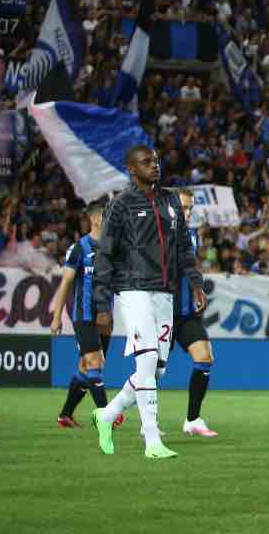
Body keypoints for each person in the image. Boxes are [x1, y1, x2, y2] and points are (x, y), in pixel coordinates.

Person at [90, 145, 205, 459]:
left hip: (165, 293)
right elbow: (105, 255)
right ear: (130, 168)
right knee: (147, 358)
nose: (154, 165)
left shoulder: (170, 200)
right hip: (133, 288)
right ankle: (152, 440)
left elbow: (183, 247)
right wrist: (102, 305)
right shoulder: (120, 205)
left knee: (156, 371)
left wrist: (195, 283)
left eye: (156, 160)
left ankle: (107, 413)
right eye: (146, 162)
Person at [50, 201, 117, 429]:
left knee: (87, 368)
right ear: (97, 220)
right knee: (94, 362)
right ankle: (107, 415)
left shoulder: (113, 249)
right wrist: (57, 316)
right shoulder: (79, 248)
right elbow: (65, 284)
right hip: (84, 316)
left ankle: (65, 415)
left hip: (105, 317)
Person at [172, 188, 218, 438]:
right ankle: (142, 420)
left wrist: (198, 289)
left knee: (205, 357)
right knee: (152, 371)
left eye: (190, 208)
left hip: (186, 312)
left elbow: (190, 267)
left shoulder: (191, 236)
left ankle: (192, 419)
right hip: (161, 312)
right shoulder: (156, 233)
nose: (187, 213)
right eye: (183, 207)